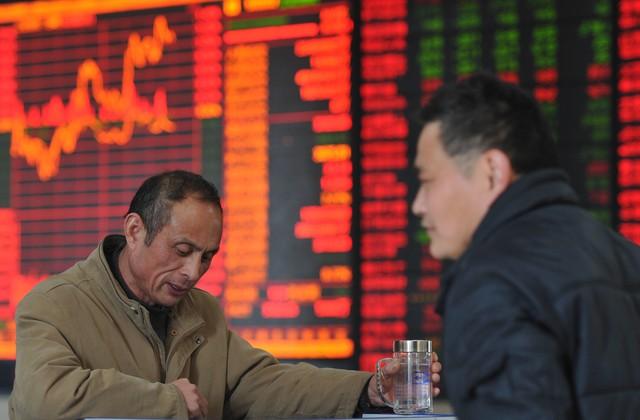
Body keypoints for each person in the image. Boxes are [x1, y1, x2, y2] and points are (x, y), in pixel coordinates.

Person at [10, 170, 440, 420]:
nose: (193, 272)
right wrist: (170, 402)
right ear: (135, 230)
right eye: (182, 251)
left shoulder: (201, 310)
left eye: (207, 257)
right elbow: (45, 398)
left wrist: (370, 388)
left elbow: (263, 384)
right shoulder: (52, 305)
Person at [411, 73, 640, 419]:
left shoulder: (492, 280)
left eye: (427, 180)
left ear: (492, 170)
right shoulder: (626, 256)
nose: (418, 205)